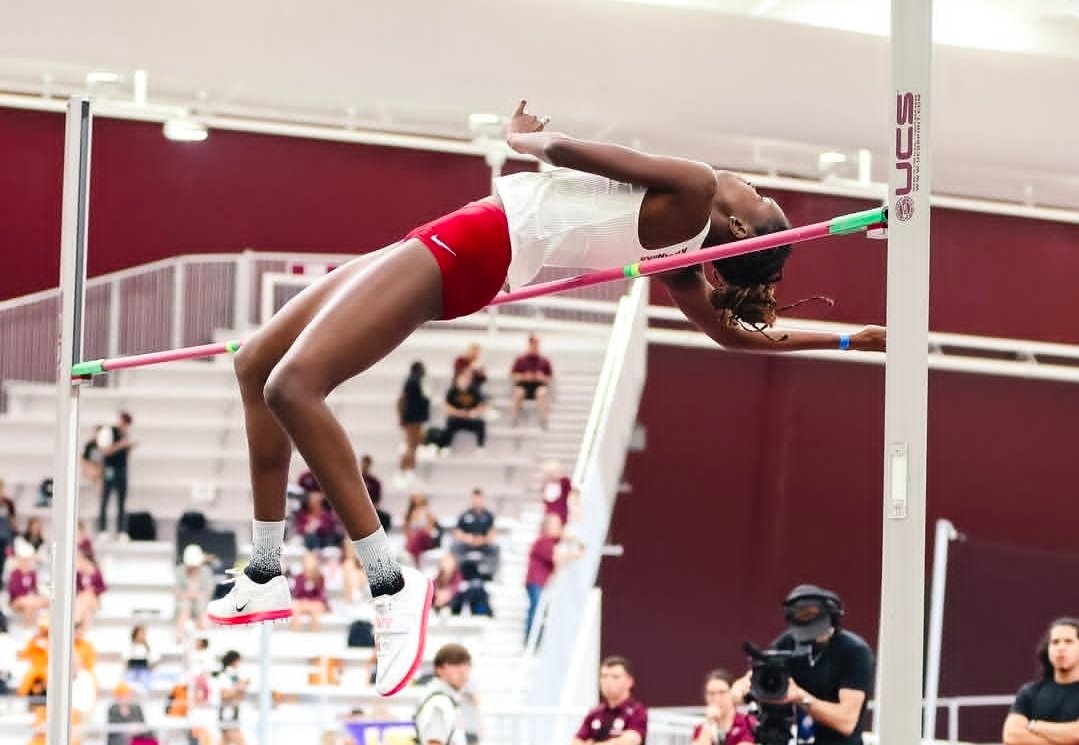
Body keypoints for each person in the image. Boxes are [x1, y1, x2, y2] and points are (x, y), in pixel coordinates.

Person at [207, 100, 886, 698]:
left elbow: (562, 151)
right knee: (259, 360)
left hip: (479, 243)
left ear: (737, 228)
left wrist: (520, 138)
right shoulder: (681, 251)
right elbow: (733, 336)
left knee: (292, 386)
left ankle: (389, 582)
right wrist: (844, 339)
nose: (747, 185)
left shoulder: (695, 189)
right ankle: (266, 569)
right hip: (474, 230)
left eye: (755, 198)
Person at [731, 585, 874, 745]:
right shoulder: (789, 642)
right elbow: (748, 682)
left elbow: (846, 722)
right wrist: (748, 690)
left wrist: (800, 697)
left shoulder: (853, 651)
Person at [1002, 617, 1079, 745]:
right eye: (1055, 642)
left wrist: (1033, 725)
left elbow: (1076, 733)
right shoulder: (1030, 692)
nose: (1061, 647)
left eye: (1068, 641)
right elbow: (1011, 735)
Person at [572, 656, 648, 745]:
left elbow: (631, 740)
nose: (608, 681)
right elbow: (577, 741)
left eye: (615, 677)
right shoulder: (595, 713)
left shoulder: (637, 711)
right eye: (604, 676)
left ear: (629, 681)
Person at [413, 644, 473, 745]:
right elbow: (434, 742)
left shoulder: (445, 699)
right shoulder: (440, 702)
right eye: (456, 665)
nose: (463, 671)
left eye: (467, 665)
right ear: (439, 669)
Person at [692, 670, 756, 745]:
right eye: (711, 693)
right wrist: (710, 722)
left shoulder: (747, 723)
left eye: (722, 692)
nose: (716, 698)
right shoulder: (702, 728)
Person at [98, 411, 135, 537]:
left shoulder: (125, 434)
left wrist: (128, 447)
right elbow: (105, 451)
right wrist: (120, 445)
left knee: (122, 501)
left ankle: (121, 531)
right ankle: (102, 530)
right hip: (110, 469)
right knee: (105, 500)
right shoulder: (109, 432)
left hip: (122, 469)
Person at [509, 334, 553, 428]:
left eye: (535, 344)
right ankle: (513, 418)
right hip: (524, 386)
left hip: (538, 386)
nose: (534, 346)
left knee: (542, 392)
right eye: (532, 344)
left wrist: (542, 377)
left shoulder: (544, 360)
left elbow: (550, 378)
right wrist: (524, 376)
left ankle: (543, 419)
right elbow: (513, 376)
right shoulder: (520, 359)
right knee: (518, 392)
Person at [440, 367, 488, 453]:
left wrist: (474, 413)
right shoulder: (452, 391)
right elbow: (446, 407)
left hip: (470, 418)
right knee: (449, 423)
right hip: (456, 418)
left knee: (481, 423)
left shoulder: (475, 390)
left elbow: (481, 406)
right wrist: (458, 413)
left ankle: (480, 447)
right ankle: (445, 447)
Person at [398, 361, 431, 479]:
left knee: (413, 445)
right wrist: (402, 417)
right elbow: (402, 400)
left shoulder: (413, 382)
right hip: (413, 418)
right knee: (412, 445)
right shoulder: (414, 382)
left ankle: (408, 468)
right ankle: (405, 469)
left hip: (413, 417)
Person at [175, 543, 214, 640]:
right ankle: (179, 637)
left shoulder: (206, 571)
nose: (193, 568)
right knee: (184, 607)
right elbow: (177, 592)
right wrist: (190, 594)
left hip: (201, 603)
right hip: (184, 603)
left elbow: (207, 593)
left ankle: (202, 641)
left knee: (202, 610)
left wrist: (194, 594)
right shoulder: (179, 571)